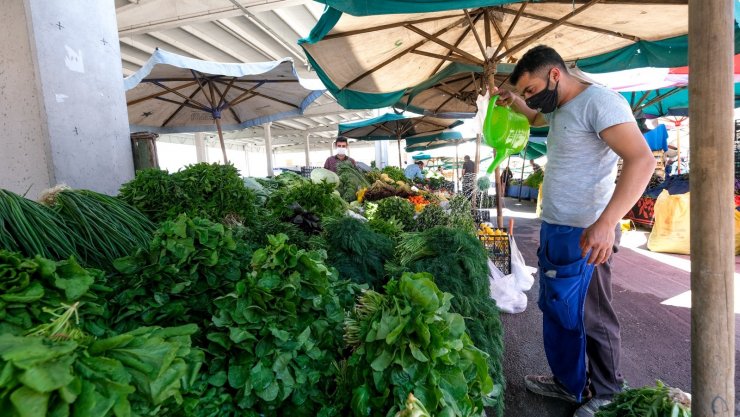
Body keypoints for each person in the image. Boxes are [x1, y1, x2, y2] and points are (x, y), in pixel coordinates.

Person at [496, 45, 655, 417]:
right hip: (556, 228)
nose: (532, 98)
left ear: (555, 74)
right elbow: (538, 119)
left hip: (588, 232)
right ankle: (570, 383)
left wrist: (606, 223)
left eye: (532, 90)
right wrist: (518, 102)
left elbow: (642, 160)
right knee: (558, 310)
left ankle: (606, 392)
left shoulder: (601, 101)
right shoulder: (560, 109)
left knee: (590, 315)